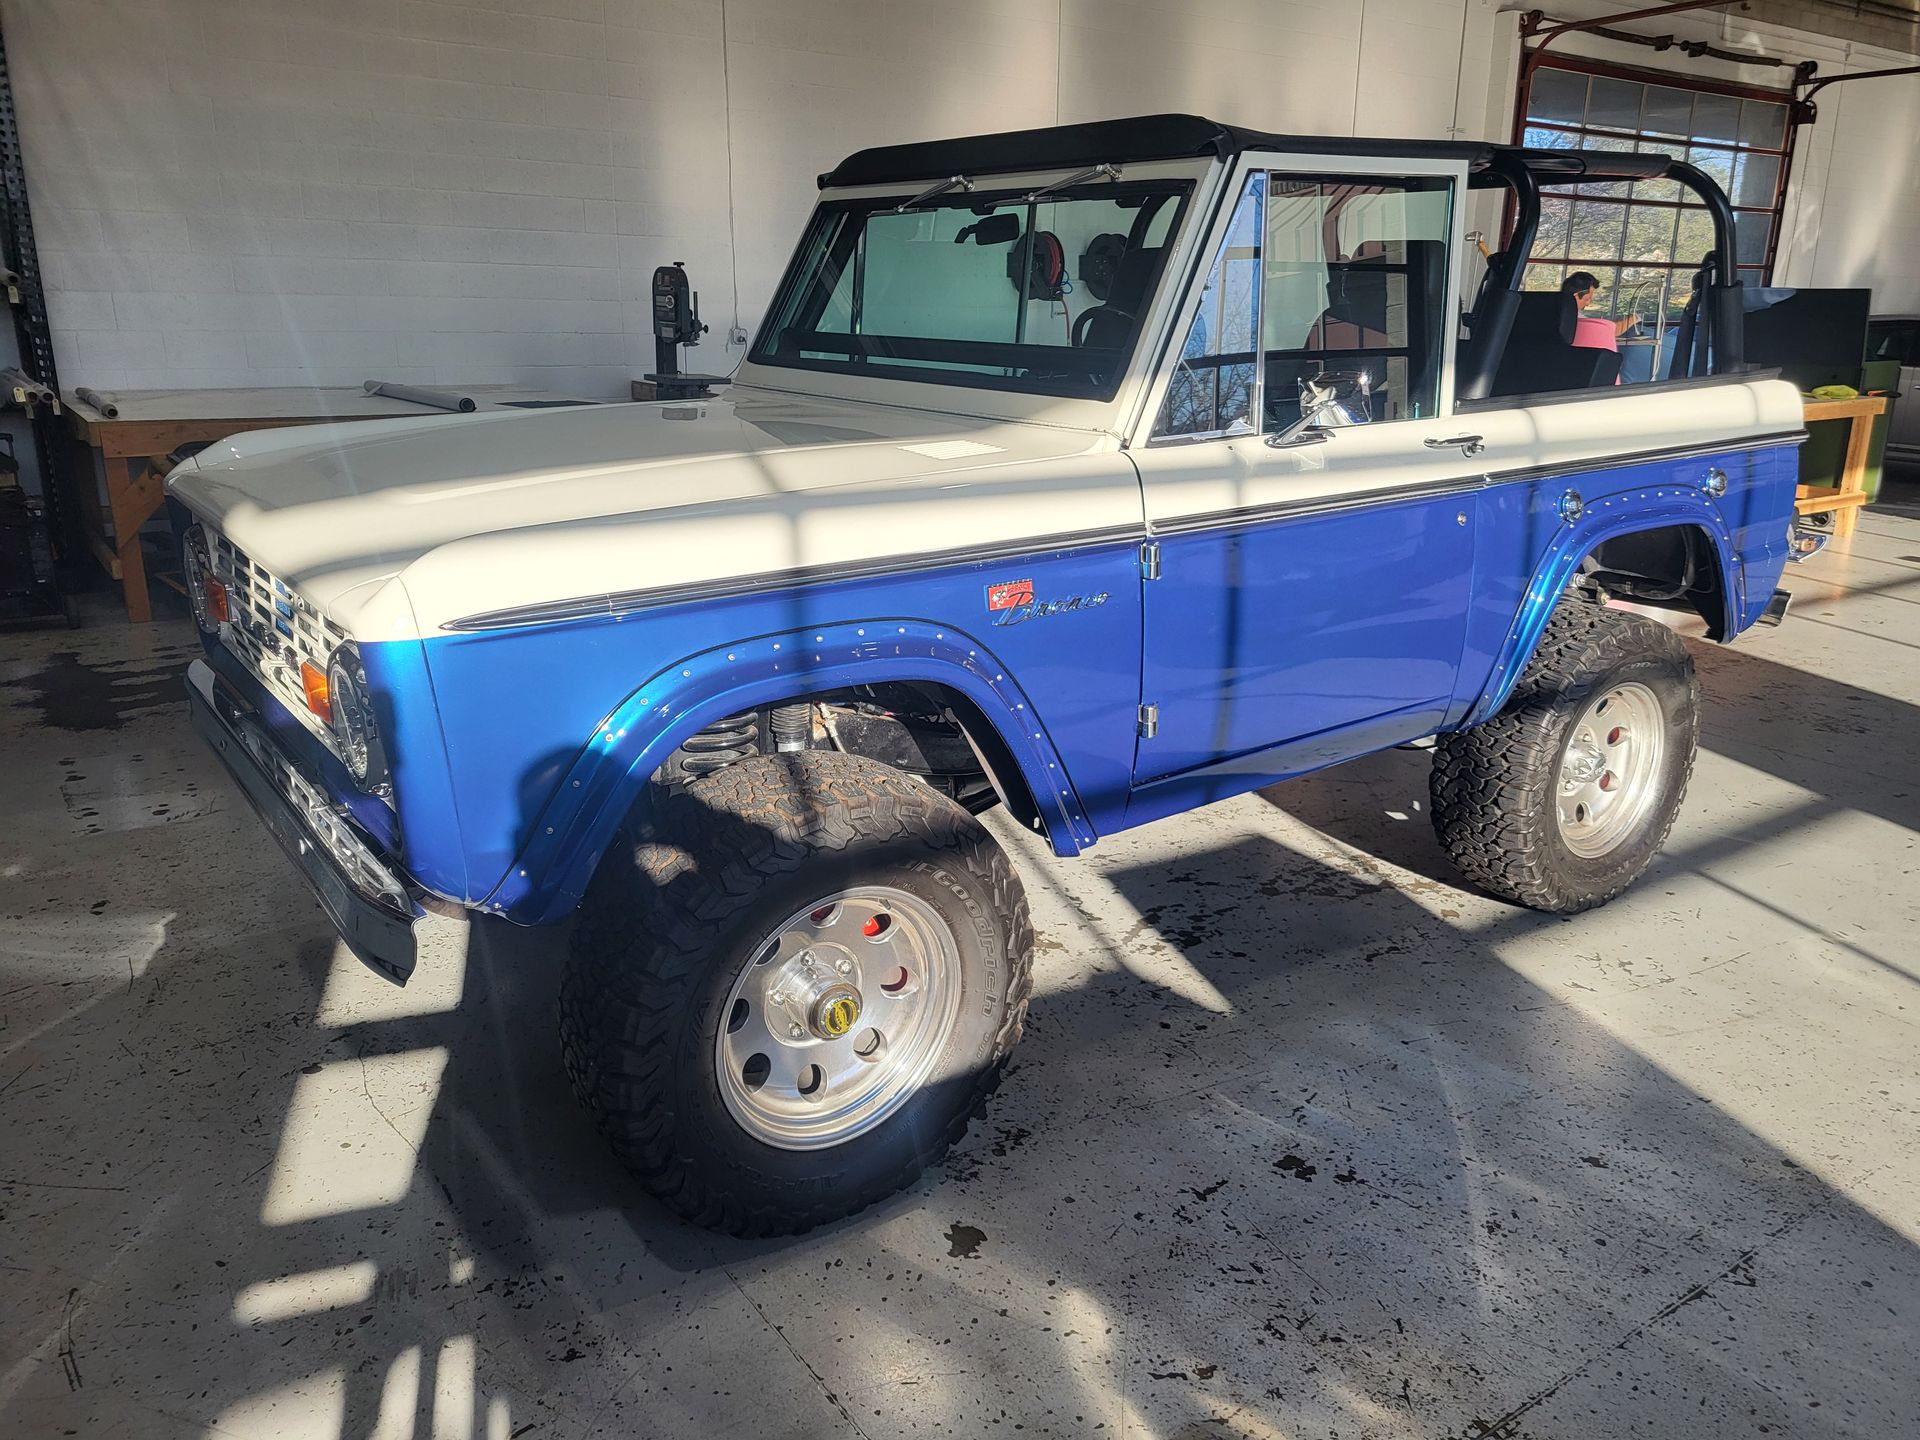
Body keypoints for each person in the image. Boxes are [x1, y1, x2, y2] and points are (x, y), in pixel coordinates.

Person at [1563, 271, 1637, 350]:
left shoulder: (1560, 313)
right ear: (1576, 296)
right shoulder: (1575, 317)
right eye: (1587, 299)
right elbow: (1611, 331)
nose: (1588, 303)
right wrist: (1634, 318)